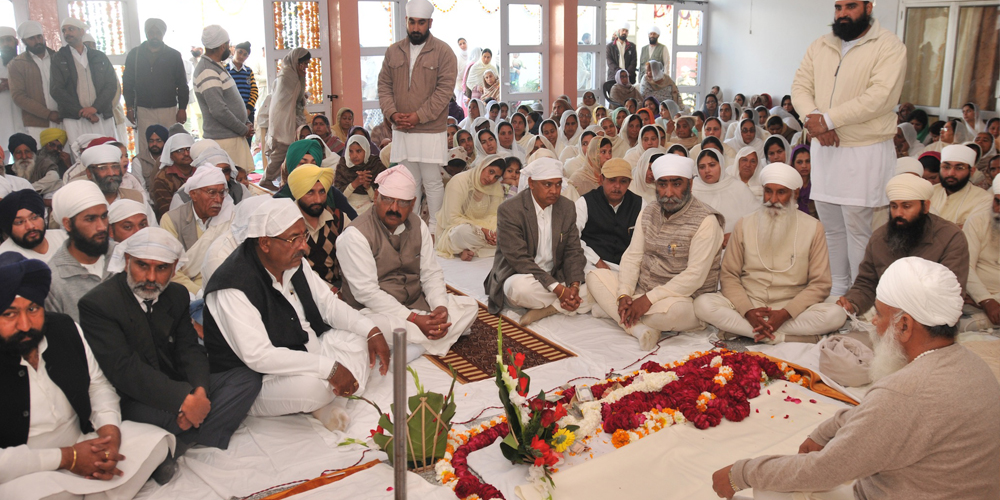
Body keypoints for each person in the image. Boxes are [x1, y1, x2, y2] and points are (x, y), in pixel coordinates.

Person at [713, 257, 1000, 499]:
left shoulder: (902, 393)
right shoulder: (974, 364)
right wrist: (825, 431)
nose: (873, 322)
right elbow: (879, 415)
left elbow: (823, 471)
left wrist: (741, 474)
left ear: (904, 325)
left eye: (880, 315)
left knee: (771, 488)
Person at [78, 228, 260, 475]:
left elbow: (189, 349)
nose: (151, 277)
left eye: (162, 268)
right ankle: (193, 434)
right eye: (142, 266)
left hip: (178, 383)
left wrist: (199, 393)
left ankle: (175, 445)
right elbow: (124, 370)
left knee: (245, 379)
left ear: (174, 269)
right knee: (166, 417)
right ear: (127, 262)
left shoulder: (176, 294)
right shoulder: (99, 303)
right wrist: (183, 400)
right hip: (133, 396)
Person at [202, 198, 390, 430]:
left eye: (304, 236)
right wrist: (329, 368)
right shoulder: (233, 285)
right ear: (265, 243)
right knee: (312, 388)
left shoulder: (293, 260)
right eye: (294, 239)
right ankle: (325, 399)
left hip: (307, 349)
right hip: (258, 378)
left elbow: (328, 305)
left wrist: (370, 331)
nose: (304, 246)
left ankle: (330, 401)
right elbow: (259, 356)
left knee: (364, 337)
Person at [0, 252, 175, 496]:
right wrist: (68, 458)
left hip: (85, 442)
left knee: (156, 441)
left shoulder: (64, 328)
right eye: (9, 314)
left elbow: (97, 386)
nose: (26, 324)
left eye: (33, 309)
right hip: (29, 467)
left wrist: (109, 436)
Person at [792, 1, 906, 297]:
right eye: (838, 6)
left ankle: (860, 296)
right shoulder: (821, 45)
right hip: (825, 147)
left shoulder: (888, 45)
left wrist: (829, 120)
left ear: (868, 7)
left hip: (864, 148)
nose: (842, 13)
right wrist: (815, 119)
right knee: (830, 226)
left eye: (851, 6)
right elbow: (800, 87)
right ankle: (837, 291)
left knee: (858, 229)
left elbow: (880, 96)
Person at [695, 163, 845, 344]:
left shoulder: (814, 228)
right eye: (768, 191)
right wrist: (748, 311)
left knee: (835, 315)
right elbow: (729, 275)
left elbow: (820, 283)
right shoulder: (745, 224)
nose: (773, 199)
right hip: (749, 301)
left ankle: (751, 332)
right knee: (703, 304)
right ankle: (780, 336)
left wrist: (786, 313)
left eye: (781, 192)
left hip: (792, 306)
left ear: (795, 194)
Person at [338, 166, 478, 358]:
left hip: (415, 302)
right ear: (376, 196)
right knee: (375, 327)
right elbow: (367, 293)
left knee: (470, 306)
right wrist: (414, 318)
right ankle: (435, 337)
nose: (394, 208)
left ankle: (417, 346)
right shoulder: (355, 235)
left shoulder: (418, 225)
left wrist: (440, 307)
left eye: (402, 202)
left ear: (412, 204)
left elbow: (430, 273)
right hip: (374, 311)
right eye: (388, 200)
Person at [587, 154, 724, 350]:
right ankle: (637, 326)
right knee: (594, 277)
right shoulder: (649, 211)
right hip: (643, 290)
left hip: (682, 299)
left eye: (677, 184)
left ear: (690, 184)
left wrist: (648, 300)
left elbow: (694, 276)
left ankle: (617, 312)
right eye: (662, 184)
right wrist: (624, 293)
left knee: (672, 313)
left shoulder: (706, 221)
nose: (668, 192)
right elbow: (633, 256)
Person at [836, 174, 968, 317]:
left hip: (932, 318)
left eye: (906, 206)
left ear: (925, 207)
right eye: (894, 206)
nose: (898, 213)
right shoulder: (880, 239)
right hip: (888, 316)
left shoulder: (950, 237)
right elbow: (866, 284)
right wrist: (852, 304)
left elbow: (950, 292)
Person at [377, 0, 457, 235]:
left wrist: (418, 116)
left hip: (430, 129)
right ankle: (410, 228)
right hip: (402, 128)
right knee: (409, 180)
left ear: (430, 23)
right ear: (406, 21)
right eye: (412, 22)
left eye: (421, 23)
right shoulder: (393, 51)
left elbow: (444, 92)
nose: (416, 28)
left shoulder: (443, 52)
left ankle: (435, 230)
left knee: (432, 180)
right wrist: (393, 114)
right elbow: (384, 86)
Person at [485, 158, 591, 325]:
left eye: (558, 184)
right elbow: (519, 259)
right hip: (521, 274)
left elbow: (573, 250)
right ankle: (569, 301)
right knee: (520, 289)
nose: (554, 191)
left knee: (596, 279)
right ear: (531, 183)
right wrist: (558, 289)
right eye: (547, 184)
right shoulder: (511, 209)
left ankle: (551, 308)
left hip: (554, 274)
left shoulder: (566, 207)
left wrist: (574, 286)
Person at [123, 19, 187, 176]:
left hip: (169, 110)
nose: (154, 36)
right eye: (151, 32)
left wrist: (182, 108)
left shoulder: (173, 55)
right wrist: (129, 107)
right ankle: (147, 180)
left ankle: (172, 178)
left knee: (170, 145)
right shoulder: (135, 54)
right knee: (147, 147)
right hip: (144, 109)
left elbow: (182, 84)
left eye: (158, 32)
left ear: (163, 34)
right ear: (146, 33)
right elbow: (128, 83)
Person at [45, 181, 115, 322]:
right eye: (90, 219)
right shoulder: (53, 281)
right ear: (68, 224)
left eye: (104, 216)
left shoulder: (124, 256)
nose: (101, 227)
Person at [193, 26, 254, 178]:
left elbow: (232, 100)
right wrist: (243, 129)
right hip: (224, 140)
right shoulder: (207, 70)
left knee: (240, 183)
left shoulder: (216, 66)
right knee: (232, 183)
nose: (230, 48)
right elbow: (218, 110)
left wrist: (246, 122)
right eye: (228, 44)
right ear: (222, 46)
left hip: (231, 137)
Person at [51, 18, 120, 145]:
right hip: (74, 118)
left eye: (71, 29)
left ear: (81, 32)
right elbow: (56, 89)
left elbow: (111, 85)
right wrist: (83, 112)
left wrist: (95, 108)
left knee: (107, 149)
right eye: (64, 31)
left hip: (100, 115)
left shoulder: (99, 56)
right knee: (81, 153)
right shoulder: (58, 58)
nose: (67, 33)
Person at [575, 158, 644, 272]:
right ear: (601, 179)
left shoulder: (640, 204)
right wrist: (597, 261)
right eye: (612, 180)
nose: (617, 186)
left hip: (628, 268)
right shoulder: (585, 203)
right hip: (592, 265)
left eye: (623, 181)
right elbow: (573, 237)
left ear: (629, 183)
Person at [286, 164, 347, 289]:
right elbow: (289, 270)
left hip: (338, 287)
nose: (318, 200)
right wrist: (330, 291)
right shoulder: (286, 224)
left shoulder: (338, 218)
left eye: (322, 192)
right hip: (299, 289)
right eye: (310, 192)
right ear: (298, 193)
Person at [434, 155, 505, 261]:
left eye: (496, 177)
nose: (491, 179)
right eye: (491, 172)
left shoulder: (495, 187)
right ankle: (484, 248)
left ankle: (466, 250)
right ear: (482, 165)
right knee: (463, 232)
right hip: (456, 229)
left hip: (483, 231)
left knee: (507, 232)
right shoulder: (459, 181)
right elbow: (452, 218)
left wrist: (492, 234)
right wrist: (481, 230)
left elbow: (495, 215)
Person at [263, 48, 311, 189]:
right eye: (304, 63)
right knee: (281, 150)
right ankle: (267, 179)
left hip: (291, 117)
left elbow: (297, 96)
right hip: (283, 119)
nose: (305, 67)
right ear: (296, 61)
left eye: (307, 64)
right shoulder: (287, 76)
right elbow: (286, 99)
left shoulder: (295, 74)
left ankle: (289, 180)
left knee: (291, 150)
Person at [8, 21, 61, 142]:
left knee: (65, 153)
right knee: (40, 153)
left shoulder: (57, 57)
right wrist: (48, 114)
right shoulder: (17, 64)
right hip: (37, 124)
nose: (37, 41)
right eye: (32, 38)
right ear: (24, 41)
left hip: (62, 119)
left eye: (39, 37)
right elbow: (18, 96)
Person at [691, 149, 758, 243]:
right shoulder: (692, 191)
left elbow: (756, 219)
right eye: (702, 167)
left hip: (734, 245)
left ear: (721, 166)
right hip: (699, 245)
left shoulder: (738, 188)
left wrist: (736, 235)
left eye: (712, 165)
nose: (707, 170)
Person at [960, 175, 1000, 331]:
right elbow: (966, 265)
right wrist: (985, 300)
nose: (998, 210)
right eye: (997, 202)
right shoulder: (978, 221)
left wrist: (991, 301)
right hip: (976, 301)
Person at [928, 144, 992, 228]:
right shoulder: (929, 192)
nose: (951, 173)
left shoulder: (984, 199)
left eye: (959, 168)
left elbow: (975, 230)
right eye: (946, 167)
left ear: (972, 171)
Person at [0, 189, 68, 262]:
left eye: (34, 217)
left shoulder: (65, 238)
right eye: (19, 222)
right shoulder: (5, 259)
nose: (30, 226)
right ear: (9, 228)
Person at [335, 135, 387, 214]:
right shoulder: (343, 165)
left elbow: (380, 198)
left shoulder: (375, 164)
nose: (354, 156)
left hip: (369, 205)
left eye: (358, 151)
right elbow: (338, 198)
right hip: (348, 204)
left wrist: (368, 187)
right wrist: (355, 184)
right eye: (351, 151)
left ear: (366, 150)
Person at [152, 132, 196, 218]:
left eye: (188, 149)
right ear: (171, 156)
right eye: (180, 151)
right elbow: (167, 212)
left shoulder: (201, 171)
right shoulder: (162, 178)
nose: (186, 154)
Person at [226, 41, 258, 142]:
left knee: (247, 142)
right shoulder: (225, 70)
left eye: (245, 54)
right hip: (231, 114)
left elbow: (254, 91)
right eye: (239, 52)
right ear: (234, 51)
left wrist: (248, 109)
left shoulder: (248, 71)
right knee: (233, 141)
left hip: (248, 113)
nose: (241, 56)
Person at [0, 26, 23, 146]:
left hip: (23, 115)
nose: (5, 44)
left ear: (16, 42)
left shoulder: (26, 62)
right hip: (2, 118)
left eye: (8, 40)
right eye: (1, 41)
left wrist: (13, 84)